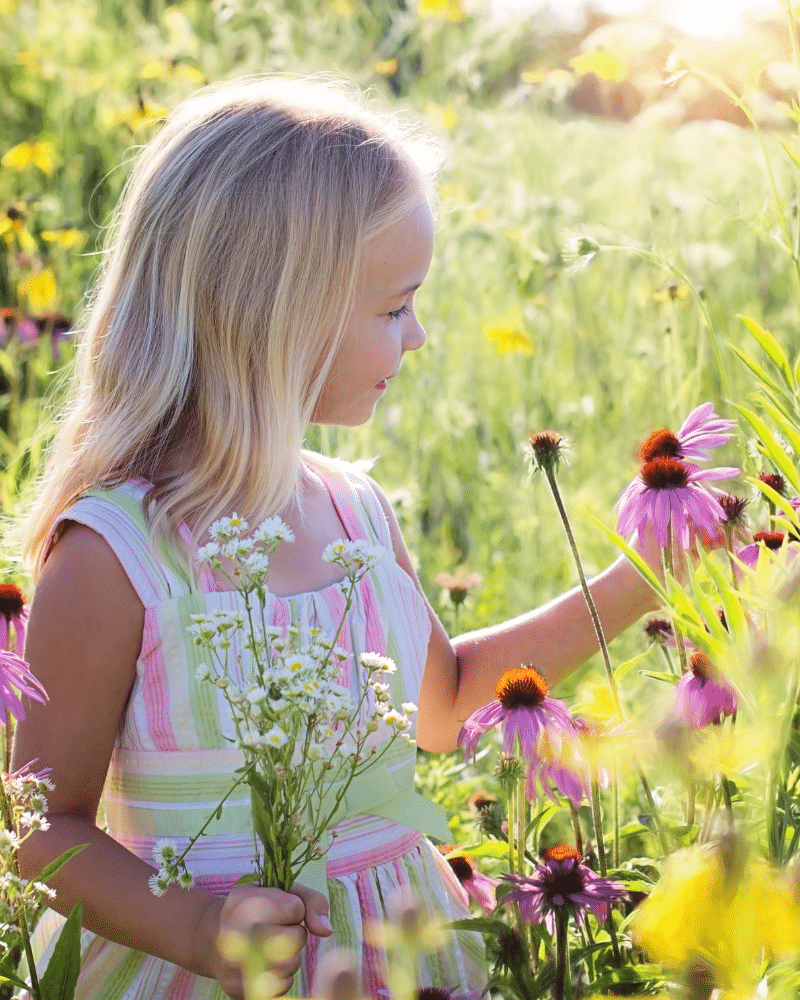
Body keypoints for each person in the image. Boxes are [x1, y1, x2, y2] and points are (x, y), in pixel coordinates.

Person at [12, 76, 664, 1000]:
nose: (421, 335)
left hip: (401, 959)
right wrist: (198, 927)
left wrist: (640, 579)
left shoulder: (357, 511)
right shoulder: (118, 554)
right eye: (395, 308)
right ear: (276, 318)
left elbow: (442, 706)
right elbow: (42, 828)